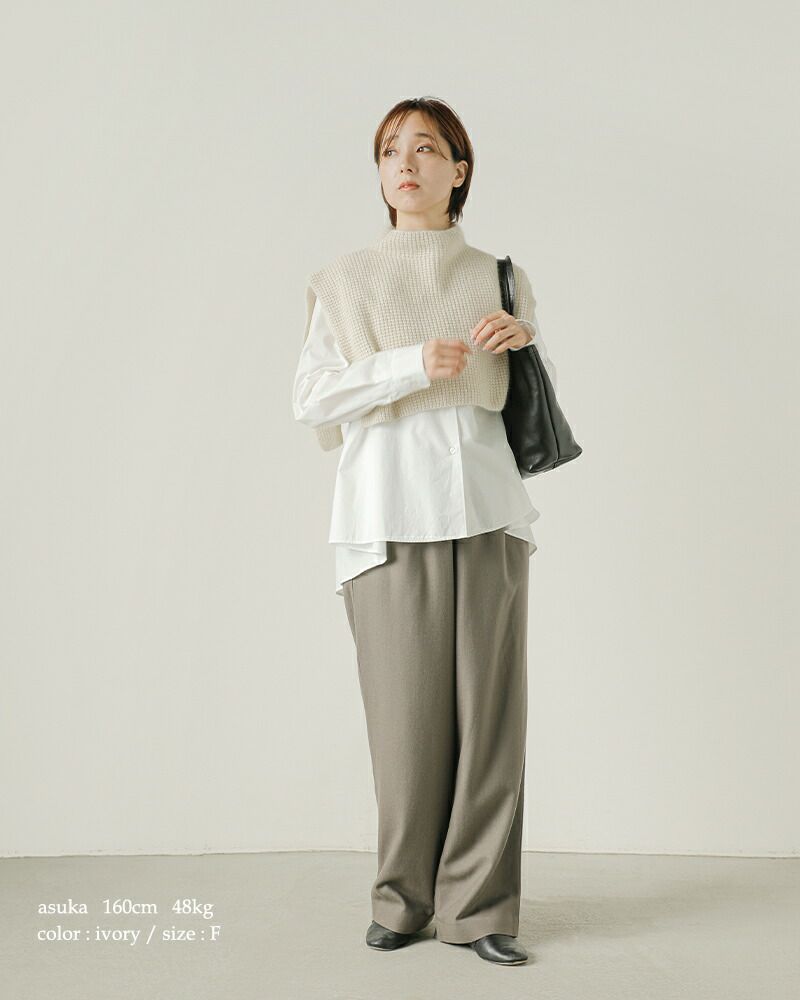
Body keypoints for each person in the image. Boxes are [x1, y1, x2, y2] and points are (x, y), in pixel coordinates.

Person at [292, 96, 559, 967]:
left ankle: (479, 910)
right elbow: (311, 398)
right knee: (405, 726)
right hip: (384, 518)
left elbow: (514, 399)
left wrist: (523, 339)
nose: (404, 164)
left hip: (487, 513)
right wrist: (409, 364)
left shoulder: (500, 275)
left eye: (425, 148)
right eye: (388, 152)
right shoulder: (344, 281)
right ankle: (402, 900)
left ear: (459, 169)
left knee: (492, 729)